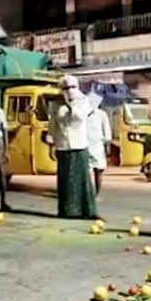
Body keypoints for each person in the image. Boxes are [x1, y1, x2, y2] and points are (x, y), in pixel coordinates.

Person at [48, 75, 97, 219]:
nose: (69, 91)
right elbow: (53, 126)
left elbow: (79, 117)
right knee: (66, 180)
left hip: (79, 145)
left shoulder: (84, 102)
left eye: (72, 87)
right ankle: (68, 211)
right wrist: (51, 144)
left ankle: (87, 211)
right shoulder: (55, 104)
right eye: (66, 88)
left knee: (81, 180)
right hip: (63, 146)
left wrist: (70, 105)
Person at [86, 92, 112, 200]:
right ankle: (87, 193)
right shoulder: (82, 114)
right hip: (85, 145)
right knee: (86, 172)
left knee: (99, 171)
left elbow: (107, 132)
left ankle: (97, 193)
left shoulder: (102, 114)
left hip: (97, 146)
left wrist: (107, 145)